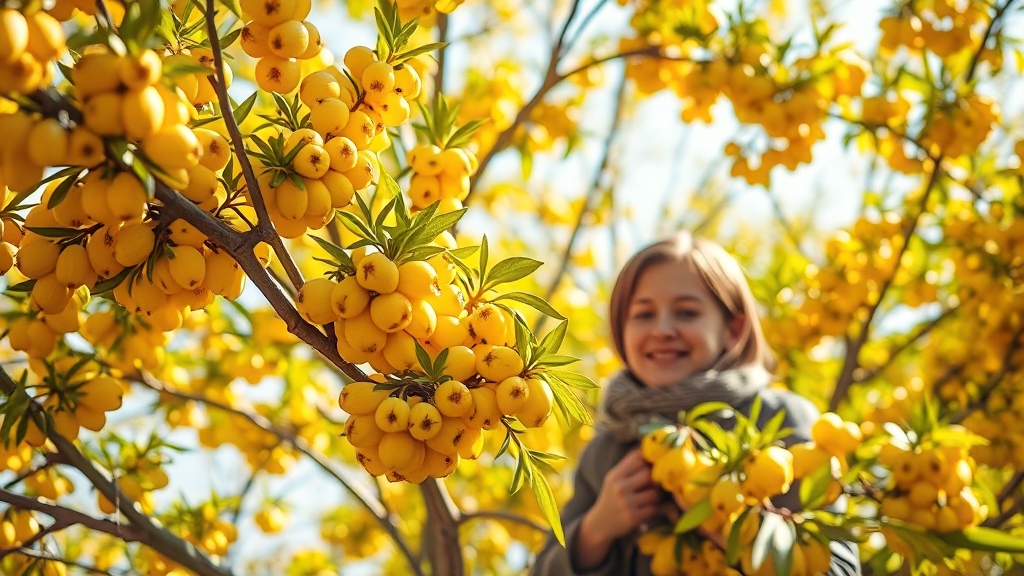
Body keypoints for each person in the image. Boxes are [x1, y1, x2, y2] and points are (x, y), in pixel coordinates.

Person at [530, 232, 861, 576]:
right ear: (620, 330)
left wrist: (732, 528)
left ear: (733, 329)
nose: (663, 329)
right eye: (643, 314)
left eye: (686, 313)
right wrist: (596, 529)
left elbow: (840, 568)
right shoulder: (606, 448)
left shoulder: (780, 417)